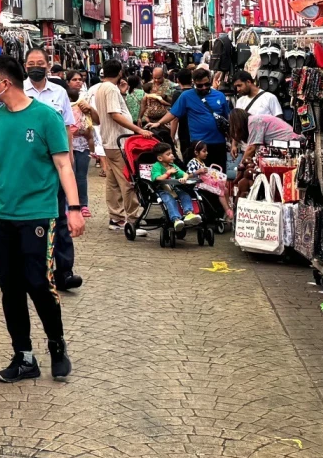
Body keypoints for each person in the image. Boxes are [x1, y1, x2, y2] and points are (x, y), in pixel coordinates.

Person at [0, 53, 84, 382]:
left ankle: (57, 346)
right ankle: (24, 356)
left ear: (5, 83)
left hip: (38, 216)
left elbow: (64, 166)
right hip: (2, 215)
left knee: (39, 284)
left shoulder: (46, 118)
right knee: (10, 287)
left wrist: (74, 209)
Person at [22, 47, 82, 290]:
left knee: (58, 217)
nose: (36, 66)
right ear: (25, 66)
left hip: (55, 166)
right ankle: (32, 271)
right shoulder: (18, 92)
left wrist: (69, 158)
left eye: (40, 62)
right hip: (27, 168)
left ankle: (64, 271)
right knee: (28, 221)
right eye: (31, 63)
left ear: (48, 65)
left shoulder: (59, 92)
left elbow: (68, 127)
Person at [87, 59, 140, 230]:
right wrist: (138, 130)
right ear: (120, 72)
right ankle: (133, 218)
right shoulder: (109, 88)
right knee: (127, 180)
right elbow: (114, 114)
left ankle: (116, 217)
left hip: (111, 140)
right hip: (117, 141)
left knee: (113, 180)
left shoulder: (104, 88)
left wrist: (122, 93)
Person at [159, 67, 231, 168]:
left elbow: (228, 118)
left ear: (210, 81)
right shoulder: (186, 96)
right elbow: (173, 114)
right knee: (199, 176)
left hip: (218, 143)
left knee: (218, 175)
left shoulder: (220, 96)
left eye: (207, 84)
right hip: (199, 144)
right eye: (200, 85)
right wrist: (159, 123)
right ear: (194, 83)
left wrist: (234, 142)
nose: (204, 87)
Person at [149, 143, 201, 227]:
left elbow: (185, 174)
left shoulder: (172, 166)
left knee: (185, 195)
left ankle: (189, 213)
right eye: (168, 154)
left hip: (174, 188)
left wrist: (184, 178)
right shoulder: (156, 166)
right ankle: (176, 219)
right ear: (160, 158)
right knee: (170, 200)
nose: (172, 155)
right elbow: (158, 178)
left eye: (172, 153)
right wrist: (168, 173)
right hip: (162, 190)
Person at [186, 139, 232, 221]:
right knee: (220, 191)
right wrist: (197, 172)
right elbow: (187, 176)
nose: (206, 153)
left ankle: (228, 207)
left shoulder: (202, 163)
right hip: (197, 187)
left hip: (205, 185)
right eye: (204, 151)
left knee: (225, 189)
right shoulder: (192, 163)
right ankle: (227, 211)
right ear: (196, 153)